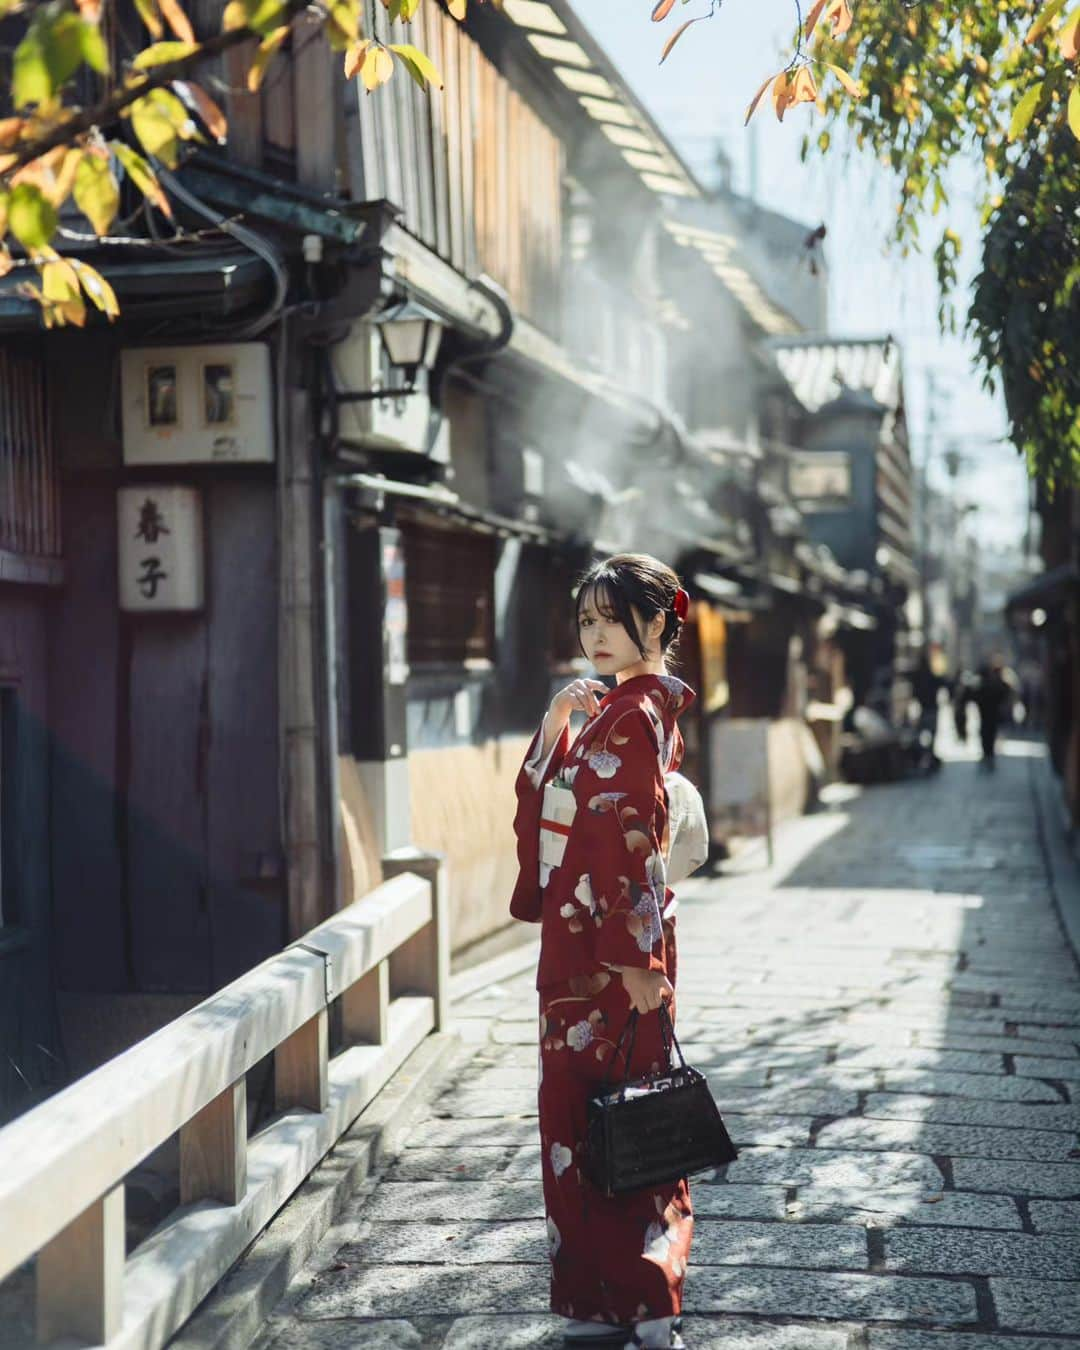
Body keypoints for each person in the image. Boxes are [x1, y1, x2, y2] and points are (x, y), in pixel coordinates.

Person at [509, 553, 697, 1350]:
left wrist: (635, 960)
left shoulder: (636, 712)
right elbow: (554, 809)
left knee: (633, 1119)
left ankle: (648, 1302)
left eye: (609, 618)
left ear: (656, 623)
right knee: (579, 1122)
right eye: (585, 621)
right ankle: (596, 1300)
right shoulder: (611, 711)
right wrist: (556, 725)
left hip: (615, 958)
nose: (594, 635)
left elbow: (626, 837)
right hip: (581, 952)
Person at [973, 655, 1012, 769]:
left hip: (988, 715)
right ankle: (988, 756)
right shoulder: (992, 684)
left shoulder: (986, 685)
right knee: (988, 734)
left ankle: (988, 756)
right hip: (989, 715)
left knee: (987, 734)